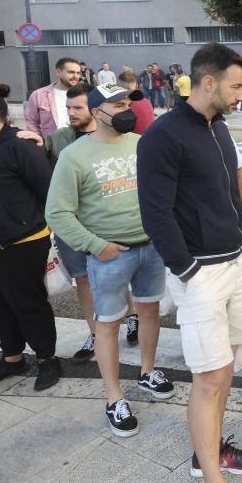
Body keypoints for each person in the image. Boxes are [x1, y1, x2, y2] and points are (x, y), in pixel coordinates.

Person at [137, 43, 242, 483]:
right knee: (209, 377)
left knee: (225, 368)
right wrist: (186, 269)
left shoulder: (217, 126)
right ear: (208, 82)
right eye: (235, 86)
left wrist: (240, 236)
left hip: (235, 261)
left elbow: (229, 184)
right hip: (202, 273)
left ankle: (209, 452)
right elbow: (155, 212)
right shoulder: (163, 135)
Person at [46, 83, 175, 438]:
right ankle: (114, 397)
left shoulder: (141, 143)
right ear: (97, 111)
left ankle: (148, 371)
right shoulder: (75, 155)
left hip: (151, 247)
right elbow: (57, 211)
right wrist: (94, 245)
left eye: (127, 103)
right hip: (109, 254)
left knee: (149, 310)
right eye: (117, 105)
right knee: (108, 324)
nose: (126, 110)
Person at [17, 83, 140, 364]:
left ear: (95, 110)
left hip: (109, 225)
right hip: (73, 229)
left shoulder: (122, 136)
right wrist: (28, 139)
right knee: (83, 280)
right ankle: (95, 333)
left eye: (78, 108)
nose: (71, 113)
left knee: (122, 277)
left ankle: (131, 316)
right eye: (68, 107)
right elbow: (37, 154)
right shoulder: (59, 139)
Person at [0, 84, 61, 391]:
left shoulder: (18, 145)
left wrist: (43, 224)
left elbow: (47, 190)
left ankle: (47, 358)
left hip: (21, 239)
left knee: (27, 302)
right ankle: (13, 356)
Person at [24, 57, 81, 136]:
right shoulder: (38, 95)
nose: (76, 76)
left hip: (78, 142)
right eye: (71, 72)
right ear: (58, 72)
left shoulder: (84, 94)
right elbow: (31, 122)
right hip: (50, 145)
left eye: (78, 73)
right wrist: (40, 141)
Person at [118, 71, 155, 135]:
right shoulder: (146, 101)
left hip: (137, 140)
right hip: (151, 136)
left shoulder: (124, 104)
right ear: (137, 86)